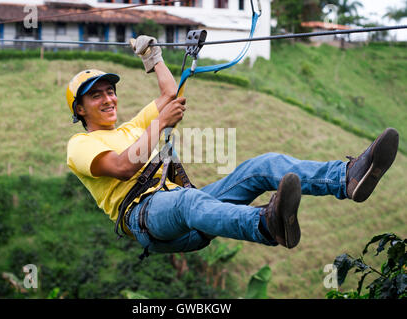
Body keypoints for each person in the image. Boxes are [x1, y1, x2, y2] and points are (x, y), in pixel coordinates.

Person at [66, 36, 399, 257]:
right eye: (97, 95)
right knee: (187, 200)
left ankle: (346, 178)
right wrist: (160, 123)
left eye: (111, 91)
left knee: (262, 166)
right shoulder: (80, 145)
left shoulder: (131, 128)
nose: (109, 99)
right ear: (79, 110)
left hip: (187, 209)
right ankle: (266, 225)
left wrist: (153, 57)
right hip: (147, 217)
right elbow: (123, 166)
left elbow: (169, 93)